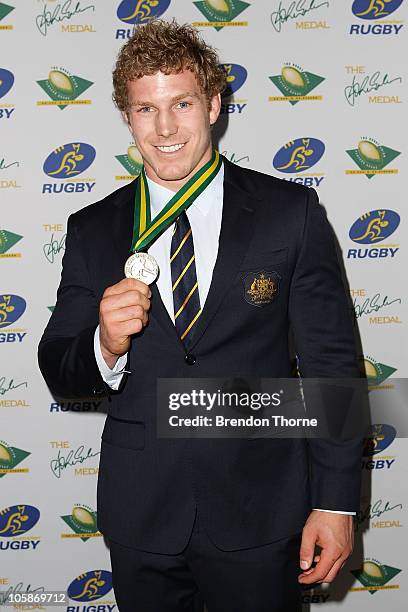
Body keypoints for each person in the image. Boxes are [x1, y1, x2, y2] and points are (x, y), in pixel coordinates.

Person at [38, 19, 362, 612]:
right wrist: (104, 346)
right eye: (145, 109)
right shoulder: (94, 227)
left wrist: (335, 503)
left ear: (213, 103)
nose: (164, 128)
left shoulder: (290, 212)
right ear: (128, 117)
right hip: (143, 513)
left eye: (181, 103)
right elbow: (59, 368)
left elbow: (332, 366)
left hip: (261, 505)